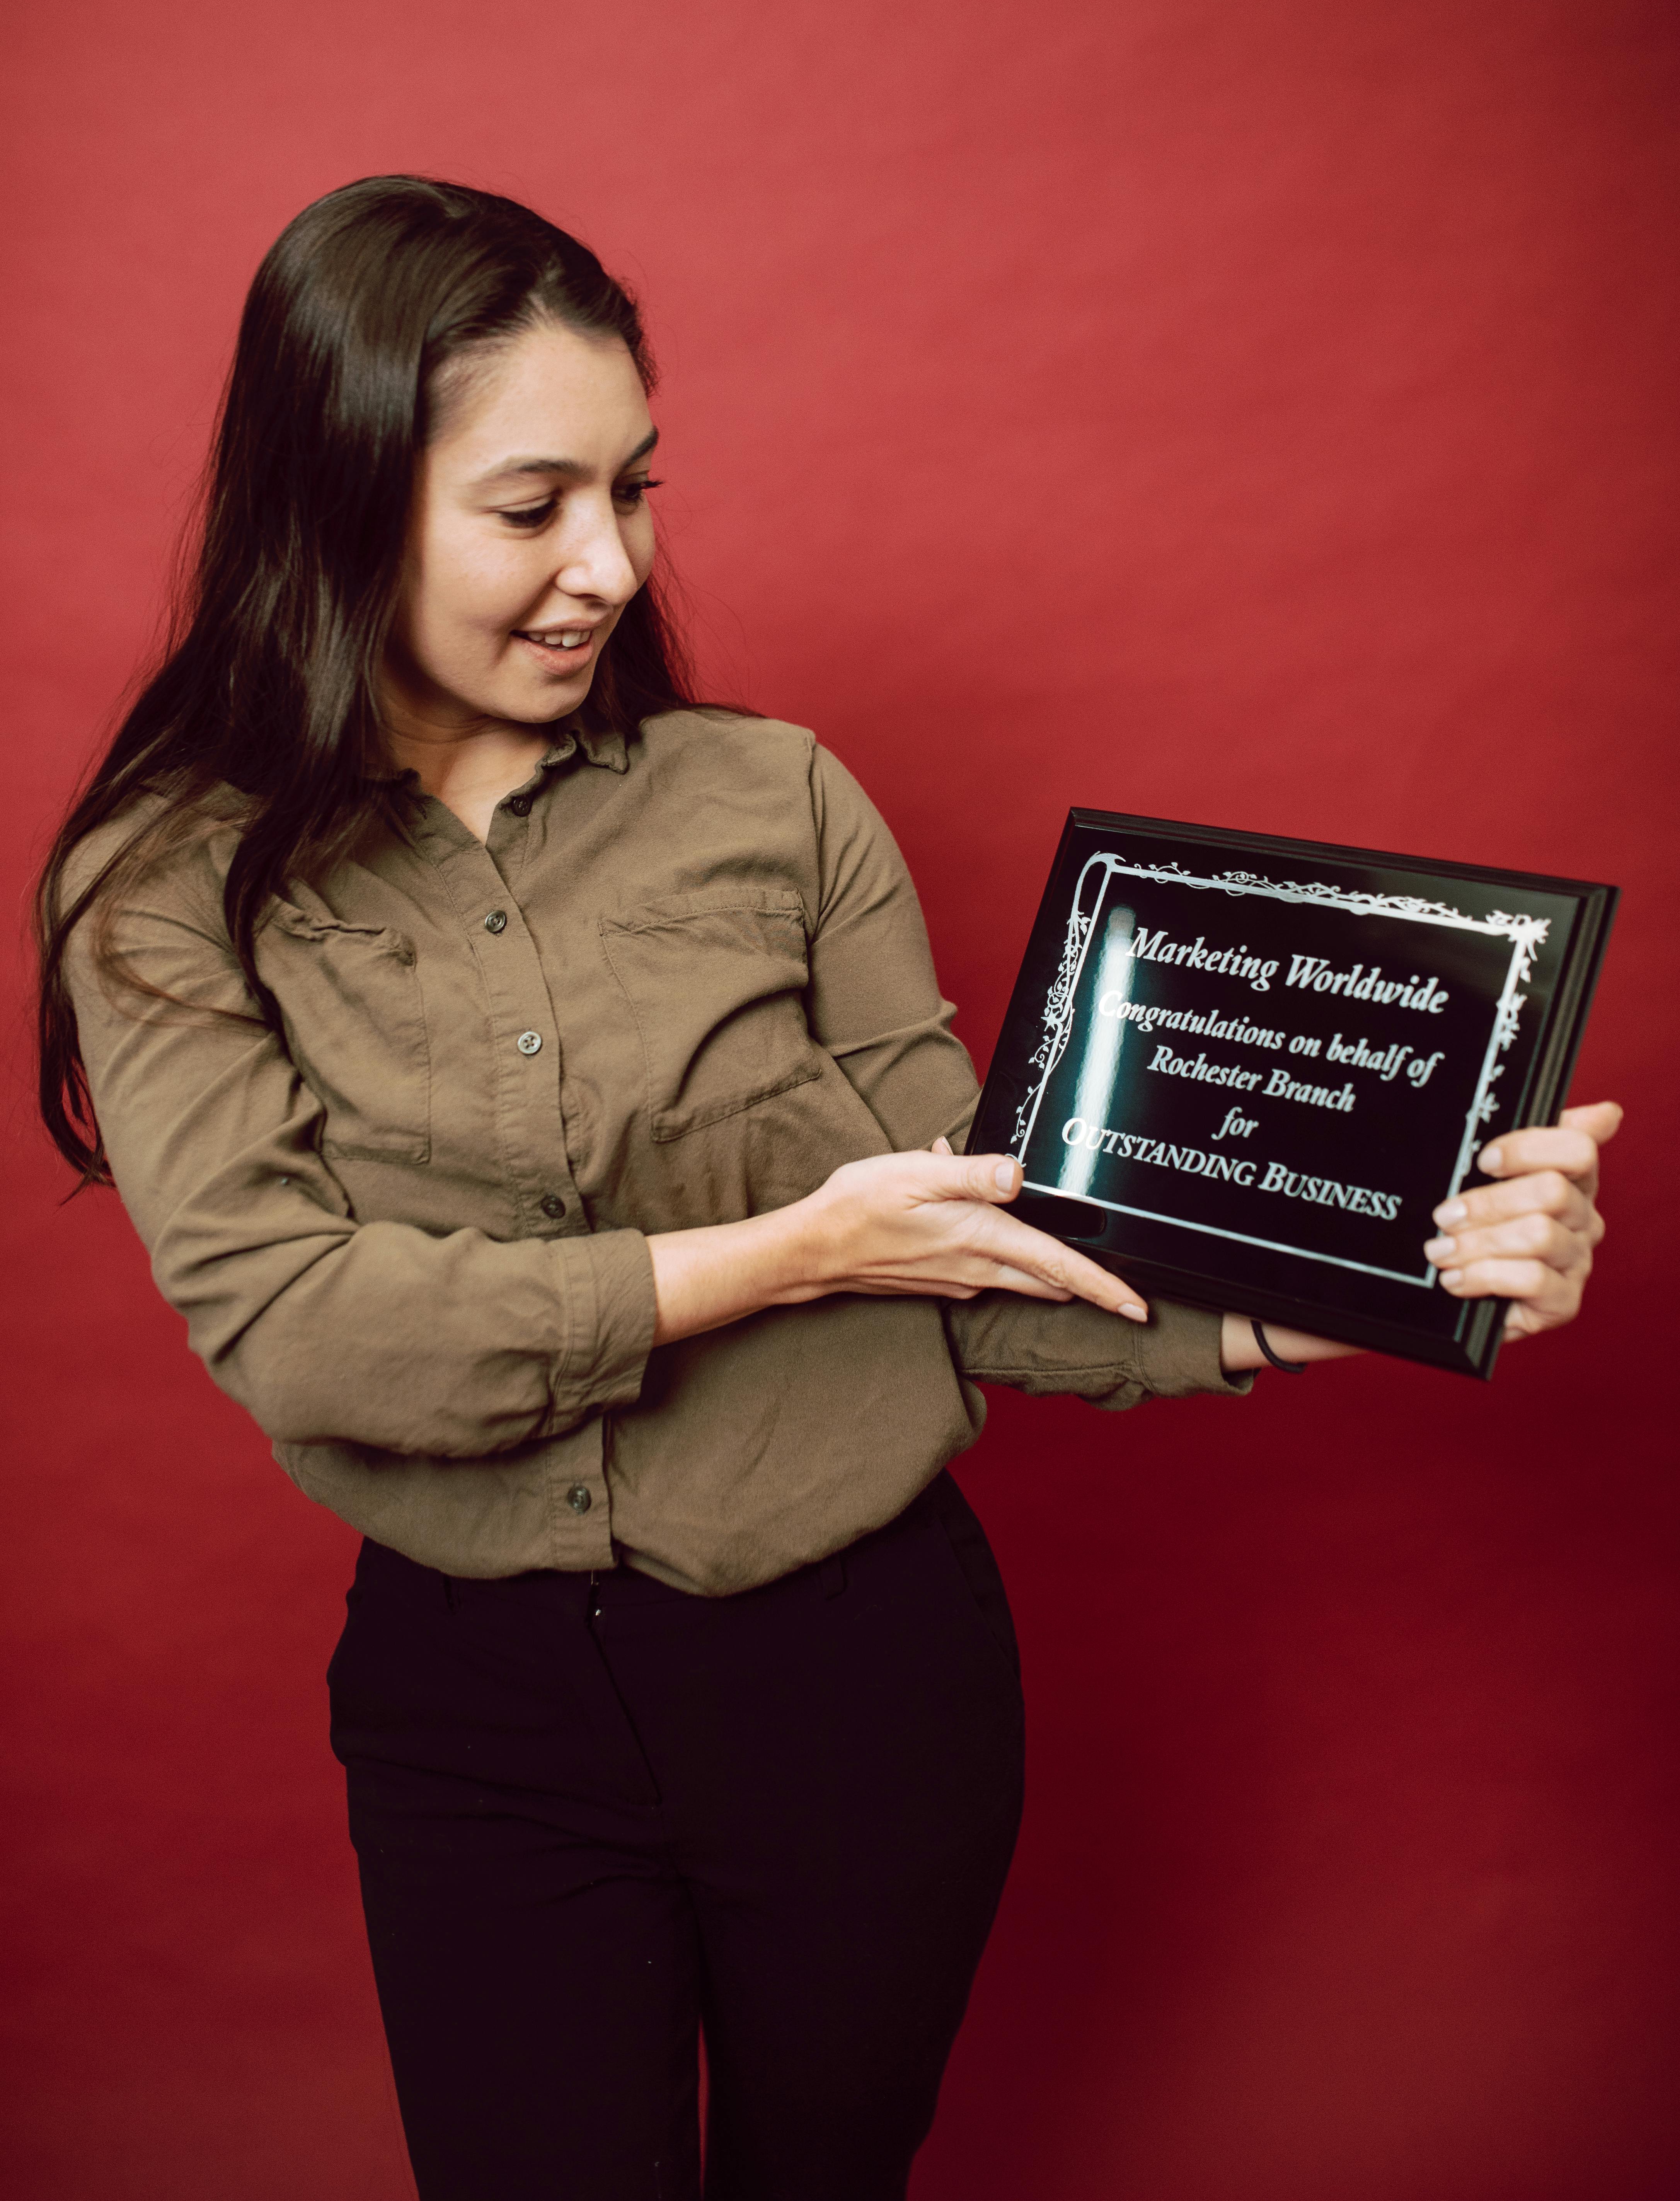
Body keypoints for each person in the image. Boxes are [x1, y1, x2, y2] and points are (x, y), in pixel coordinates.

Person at [35, 177, 1618, 2201]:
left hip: (872, 1686)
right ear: (339, 496)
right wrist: (784, 1255)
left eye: (639, 487)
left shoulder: (776, 800)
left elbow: (965, 1255)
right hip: (480, 1710)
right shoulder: (166, 882)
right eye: (534, 506)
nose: (608, 562)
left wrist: (1347, 1284)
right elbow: (304, 1329)